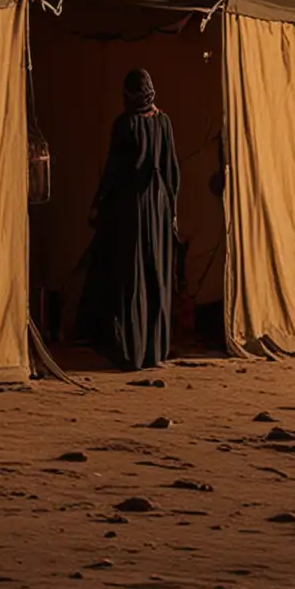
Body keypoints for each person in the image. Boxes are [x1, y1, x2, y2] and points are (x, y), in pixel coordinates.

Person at [74, 67, 180, 371]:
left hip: (131, 209)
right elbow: (172, 170)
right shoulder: (164, 123)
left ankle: (132, 352)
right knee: (153, 274)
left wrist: (99, 203)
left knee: (131, 277)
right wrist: (172, 210)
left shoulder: (126, 124)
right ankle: (153, 351)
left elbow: (114, 170)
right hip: (158, 207)